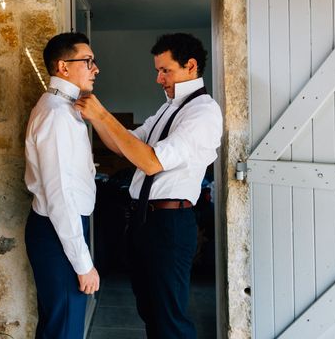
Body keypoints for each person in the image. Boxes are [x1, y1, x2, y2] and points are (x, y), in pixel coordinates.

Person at [75, 33, 222, 338]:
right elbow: (125, 144)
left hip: (169, 224)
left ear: (191, 66)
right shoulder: (168, 107)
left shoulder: (203, 112)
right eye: (157, 70)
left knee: (170, 320)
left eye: (165, 70)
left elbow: (151, 162)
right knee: (150, 311)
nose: (158, 79)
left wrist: (102, 113)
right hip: (144, 221)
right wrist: (93, 118)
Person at [24, 32, 101, 339]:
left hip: (59, 229)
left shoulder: (64, 108)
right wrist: (84, 264)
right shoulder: (56, 114)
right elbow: (60, 196)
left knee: (59, 326)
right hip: (57, 230)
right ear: (63, 67)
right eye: (88, 61)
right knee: (64, 329)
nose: (96, 68)